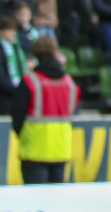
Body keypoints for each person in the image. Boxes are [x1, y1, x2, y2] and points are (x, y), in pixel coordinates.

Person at [11, 35, 80, 185]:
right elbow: (73, 110)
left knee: (34, 198)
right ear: (55, 52)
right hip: (61, 149)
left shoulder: (30, 82)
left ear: (35, 53)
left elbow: (17, 116)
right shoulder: (70, 83)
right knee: (57, 197)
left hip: (34, 150)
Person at [0, 14, 26, 115]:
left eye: (14, 30)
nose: (13, 33)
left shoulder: (16, 49)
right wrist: (17, 90)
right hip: (3, 99)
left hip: (17, 98)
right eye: (9, 30)